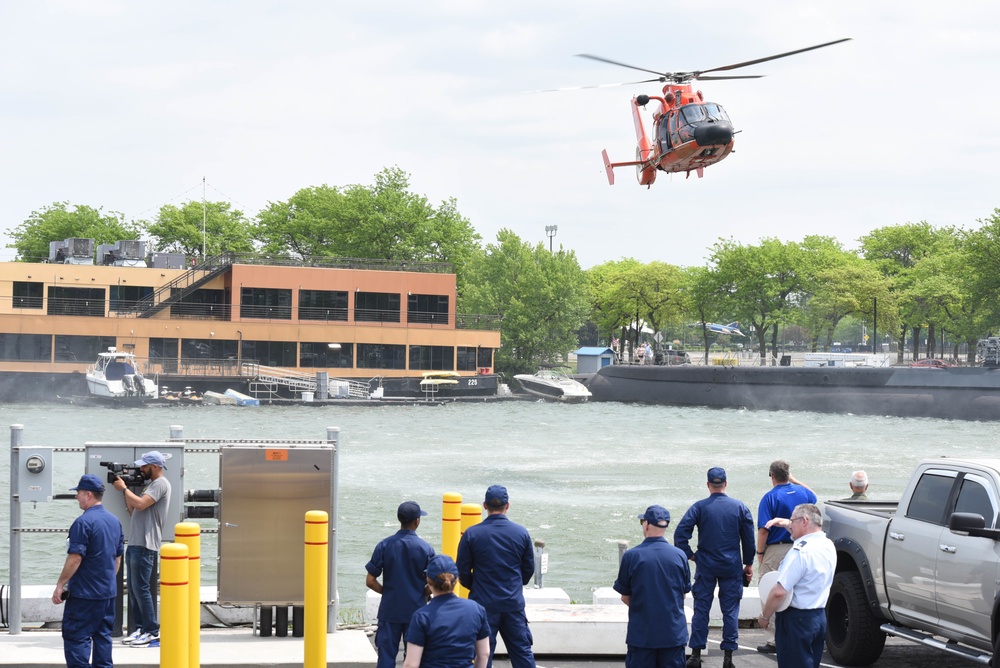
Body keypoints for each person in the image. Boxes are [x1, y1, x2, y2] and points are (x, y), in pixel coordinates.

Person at [674, 468, 755, 668]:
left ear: (708, 485)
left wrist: (691, 555)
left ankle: (695, 656)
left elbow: (680, 535)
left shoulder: (699, 507)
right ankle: (728, 659)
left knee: (701, 610)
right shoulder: (739, 507)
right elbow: (749, 540)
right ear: (725, 484)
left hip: (706, 565)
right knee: (730, 612)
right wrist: (749, 563)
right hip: (731, 566)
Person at [456, 485, 535, 668]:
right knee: (522, 652)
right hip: (512, 603)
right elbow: (528, 568)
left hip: (483, 604)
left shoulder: (471, 534)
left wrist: (475, 586)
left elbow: (462, 571)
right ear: (507, 506)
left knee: (482, 655)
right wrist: (516, 584)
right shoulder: (521, 533)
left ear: (485, 505)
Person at [52, 474, 125, 668]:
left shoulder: (82, 523)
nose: (76, 497)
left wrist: (60, 585)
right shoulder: (114, 521)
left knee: (77, 639)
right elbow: (117, 559)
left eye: (78, 493)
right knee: (103, 638)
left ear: (88, 494)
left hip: (84, 595)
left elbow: (75, 558)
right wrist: (106, 582)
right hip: (107, 594)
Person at [757, 504, 836, 668]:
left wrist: (765, 616)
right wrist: (787, 523)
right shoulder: (828, 545)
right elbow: (806, 532)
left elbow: (779, 592)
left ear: (805, 521)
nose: (790, 525)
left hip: (795, 620)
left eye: (793, 521)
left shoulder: (799, 552)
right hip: (818, 616)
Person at [615, 505, 691, 668]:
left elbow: (625, 596)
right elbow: (682, 594)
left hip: (642, 635)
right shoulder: (679, 555)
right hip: (672, 633)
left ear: (647, 524)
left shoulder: (632, 556)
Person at [111, 450, 172, 647]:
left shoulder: (160, 484)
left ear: (155, 467)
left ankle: (152, 632)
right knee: (136, 590)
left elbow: (141, 504)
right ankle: (140, 629)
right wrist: (127, 492)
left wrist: (123, 489)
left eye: (144, 466)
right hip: (137, 542)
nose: (141, 469)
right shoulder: (151, 485)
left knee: (142, 589)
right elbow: (134, 509)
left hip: (146, 544)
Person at [755, 459, 816, 653]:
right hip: (800, 546)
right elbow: (814, 496)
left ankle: (773, 639)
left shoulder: (770, 497)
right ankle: (798, 635)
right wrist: (794, 479)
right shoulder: (802, 493)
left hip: (777, 548)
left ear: (771, 475)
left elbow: (764, 529)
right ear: (788, 475)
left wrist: (760, 552)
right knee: (797, 591)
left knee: (770, 590)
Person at [366, 501, 436, 668]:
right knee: (415, 658)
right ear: (417, 521)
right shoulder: (426, 549)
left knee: (386, 656)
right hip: (416, 610)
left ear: (400, 520)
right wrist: (423, 593)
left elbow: (370, 580)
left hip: (390, 610)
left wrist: (387, 592)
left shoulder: (384, 545)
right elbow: (434, 583)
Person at [403, 555, 491, 668]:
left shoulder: (421, 616)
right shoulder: (477, 610)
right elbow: (484, 654)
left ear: (428, 582)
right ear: (456, 580)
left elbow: (411, 664)